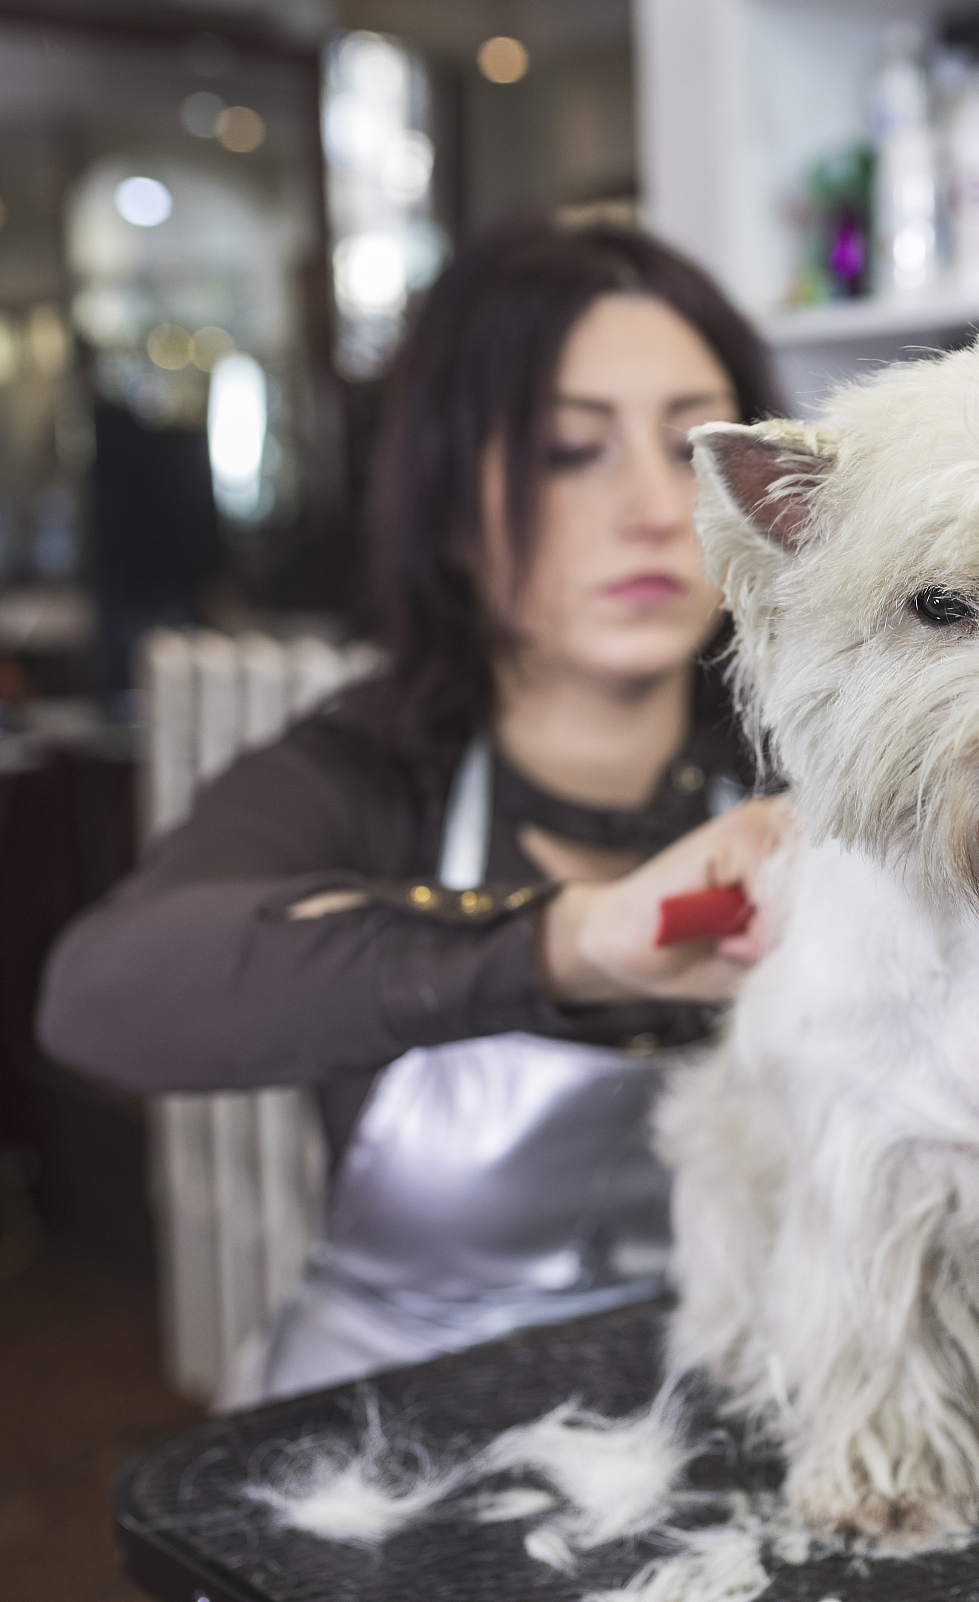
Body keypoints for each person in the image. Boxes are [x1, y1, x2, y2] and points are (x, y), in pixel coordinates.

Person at [38, 219, 796, 1402]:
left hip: (734, 1436)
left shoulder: (807, 770)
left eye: (697, 449)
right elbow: (105, 993)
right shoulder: (367, 772)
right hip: (390, 1449)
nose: (658, 507)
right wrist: (573, 938)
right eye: (565, 450)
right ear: (447, 495)